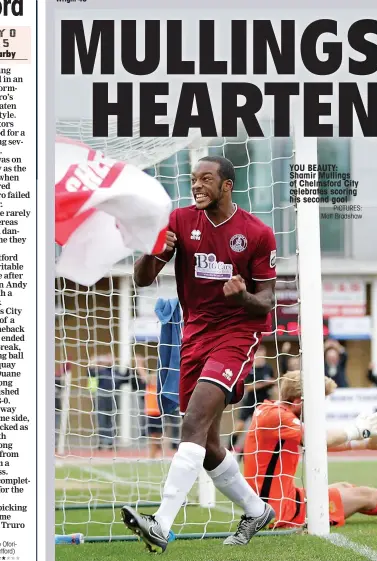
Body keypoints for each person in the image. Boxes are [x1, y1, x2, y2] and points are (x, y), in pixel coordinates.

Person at [121, 156, 277, 552]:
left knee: (191, 425)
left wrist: (242, 295)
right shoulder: (180, 221)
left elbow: (267, 300)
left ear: (227, 185)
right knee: (205, 444)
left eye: (206, 179)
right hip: (194, 336)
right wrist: (155, 251)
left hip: (237, 334)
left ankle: (161, 523)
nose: (197, 186)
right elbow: (142, 279)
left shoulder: (257, 234)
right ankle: (256, 511)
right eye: (193, 180)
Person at [243, 370, 377, 531]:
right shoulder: (278, 417)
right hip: (279, 510)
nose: (319, 408)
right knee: (366, 495)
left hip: (279, 499)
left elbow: (316, 444)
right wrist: (357, 430)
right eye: (317, 401)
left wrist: (365, 444)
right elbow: (320, 439)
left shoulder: (271, 409)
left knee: (345, 486)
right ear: (298, 401)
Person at [229, 344, 274, 456]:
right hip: (249, 401)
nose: (260, 355)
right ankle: (229, 448)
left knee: (258, 429)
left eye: (262, 353)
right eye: (258, 353)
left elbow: (273, 384)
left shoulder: (268, 369)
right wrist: (264, 383)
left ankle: (245, 453)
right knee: (240, 427)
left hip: (263, 403)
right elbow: (248, 387)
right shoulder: (250, 369)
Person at [144, 370, 164, 459]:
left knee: (159, 437)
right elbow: (144, 376)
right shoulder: (149, 387)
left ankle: (159, 454)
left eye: (156, 378)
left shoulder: (160, 389)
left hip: (159, 415)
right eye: (153, 378)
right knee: (153, 437)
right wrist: (139, 364)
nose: (154, 379)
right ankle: (152, 456)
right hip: (151, 415)